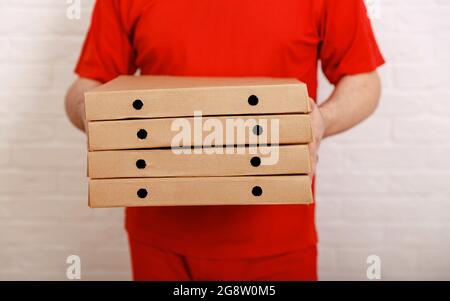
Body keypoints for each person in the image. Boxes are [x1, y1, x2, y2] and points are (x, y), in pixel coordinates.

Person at [65, 0, 384, 281]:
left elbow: (364, 80)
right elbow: (87, 85)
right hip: (159, 237)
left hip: (278, 239)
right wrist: (95, 114)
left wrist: (321, 121)